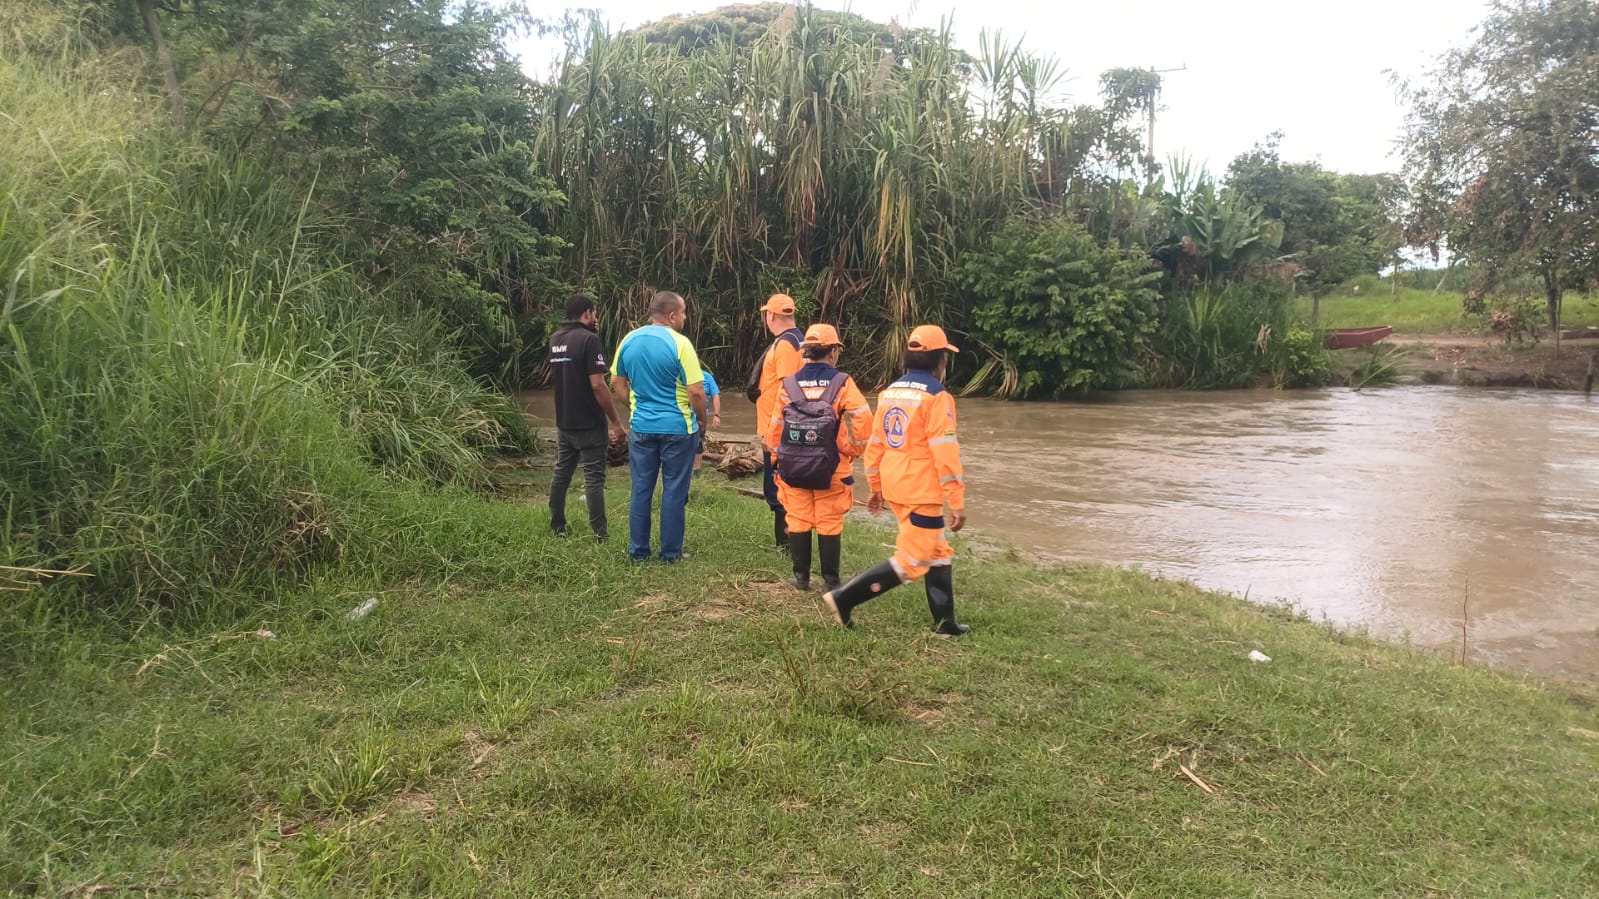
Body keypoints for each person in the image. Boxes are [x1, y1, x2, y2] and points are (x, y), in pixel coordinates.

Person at [823, 325, 970, 636]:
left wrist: (876, 487)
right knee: (914, 560)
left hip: (896, 483)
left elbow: (876, 443)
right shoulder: (937, 397)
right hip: (921, 489)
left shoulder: (890, 392)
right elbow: (945, 452)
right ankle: (844, 598)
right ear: (939, 360)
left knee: (937, 551)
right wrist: (956, 500)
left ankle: (946, 623)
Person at [763, 324, 871, 592]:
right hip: (832, 467)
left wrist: (778, 459)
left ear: (805, 352)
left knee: (798, 517)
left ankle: (801, 578)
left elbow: (775, 428)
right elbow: (864, 420)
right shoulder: (843, 382)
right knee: (829, 520)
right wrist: (851, 449)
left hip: (793, 467)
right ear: (833, 352)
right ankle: (831, 582)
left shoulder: (788, 384)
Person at [611, 291, 709, 563]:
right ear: (672, 315)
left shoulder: (629, 340)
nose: (685, 318)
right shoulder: (680, 344)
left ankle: (639, 552)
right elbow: (697, 391)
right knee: (674, 490)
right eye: (684, 312)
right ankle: (670, 553)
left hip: (641, 426)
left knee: (641, 488)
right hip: (678, 428)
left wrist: (633, 407)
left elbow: (617, 382)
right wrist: (702, 419)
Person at [547, 292, 627, 541]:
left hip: (564, 420)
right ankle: (600, 535)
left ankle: (557, 526)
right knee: (594, 478)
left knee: (562, 473)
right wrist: (616, 422)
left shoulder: (556, 339)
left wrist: (593, 334)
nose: (596, 317)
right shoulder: (589, 341)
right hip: (589, 423)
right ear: (587, 313)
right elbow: (597, 385)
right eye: (594, 313)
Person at [751, 294, 805, 552]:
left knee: (779, 489)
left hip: (778, 429)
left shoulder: (785, 345)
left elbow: (788, 389)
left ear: (770, 315)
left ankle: (786, 545)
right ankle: (787, 543)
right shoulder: (799, 339)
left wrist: (775, 431)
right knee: (781, 486)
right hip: (781, 426)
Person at [693, 367, 722, 474]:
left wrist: (717, 415)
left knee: (699, 440)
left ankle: (697, 469)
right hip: (684, 414)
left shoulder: (707, 377)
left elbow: (715, 396)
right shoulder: (683, 376)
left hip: (701, 415)